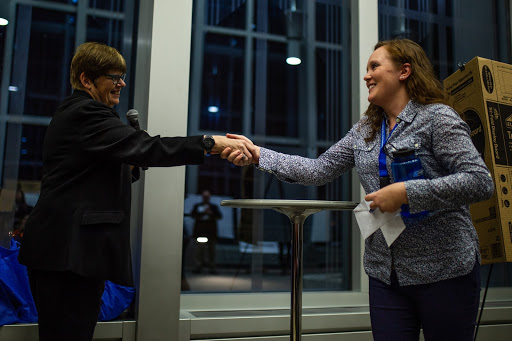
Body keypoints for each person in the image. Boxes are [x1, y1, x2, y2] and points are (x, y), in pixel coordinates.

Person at [222, 38, 495, 340]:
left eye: (374, 66)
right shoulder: (364, 130)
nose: (366, 75)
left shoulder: (437, 118)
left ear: (404, 71)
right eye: (366, 68)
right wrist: (258, 153)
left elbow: (479, 181)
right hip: (385, 274)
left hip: (445, 271)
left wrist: (407, 193)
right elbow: (317, 170)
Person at [17, 42, 250, 341]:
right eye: (114, 77)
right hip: (68, 255)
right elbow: (151, 147)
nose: (122, 83)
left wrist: (130, 161)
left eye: (122, 76)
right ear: (87, 79)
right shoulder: (87, 113)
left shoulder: (79, 113)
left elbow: (90, 172)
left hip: (67, 253)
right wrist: (208, 143)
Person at [190, 189, 222, 274]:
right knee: (199, 250)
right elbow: (193, 215)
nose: (206, 198)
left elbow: (219, 216)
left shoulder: (213, 207)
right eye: (204, 197)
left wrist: (210, 213)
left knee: (212, 251)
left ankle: (212, 267)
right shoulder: (197, 206)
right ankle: (198, 266)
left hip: (211, 232)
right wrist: (203, 213)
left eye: (207, 197)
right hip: (200, 232)